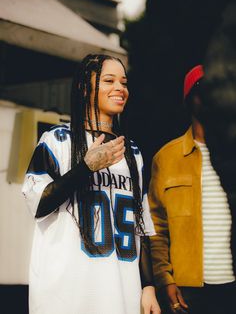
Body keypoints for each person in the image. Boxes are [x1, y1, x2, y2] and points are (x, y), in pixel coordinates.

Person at [22, 54, 161, 314]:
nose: (120, 88)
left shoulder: (132, 153)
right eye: (109, 80)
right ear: (85, 88)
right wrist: (85, 168)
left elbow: (141, 227)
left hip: (121, 293)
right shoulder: (56, 140)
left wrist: (148, 286)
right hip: (67, 295)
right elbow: (38, 203)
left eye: (124, 82)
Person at [148, 65, 236, 314]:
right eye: (202, 88)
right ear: (188, 99)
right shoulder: (166, 158)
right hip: (189, 292)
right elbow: (156, 227)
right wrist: (165, 278)